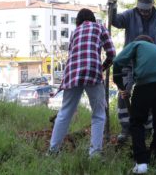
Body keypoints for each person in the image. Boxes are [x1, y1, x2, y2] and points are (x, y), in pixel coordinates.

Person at [108, 0, 156, 142]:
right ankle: (126, 128)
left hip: (150, 66)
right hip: (130, 62)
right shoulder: (130, 15)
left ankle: (147, 129)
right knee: (124, 94)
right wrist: (112, 7)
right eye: (141, 9)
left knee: (150, 96)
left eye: (147, 9)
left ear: (152, 6)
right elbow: (115, 21)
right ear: (137, 6)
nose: (144, 12)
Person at [48, 8, 116, 158]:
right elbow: (112, 54)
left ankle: (53, 151)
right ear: (93, 19)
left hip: (72, 73)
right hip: (92, 71)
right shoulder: (99, 27)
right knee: (98, 114)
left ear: (78, 21)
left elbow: (72, 54)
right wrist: (102, 67)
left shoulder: (74, 32)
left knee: (65, 112)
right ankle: (95, 154)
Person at [113, 35, 156, 174]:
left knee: (136, 122)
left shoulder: (136, 45)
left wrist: (120, 85)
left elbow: (117, 62)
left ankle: (141, 163)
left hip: (145, 85)